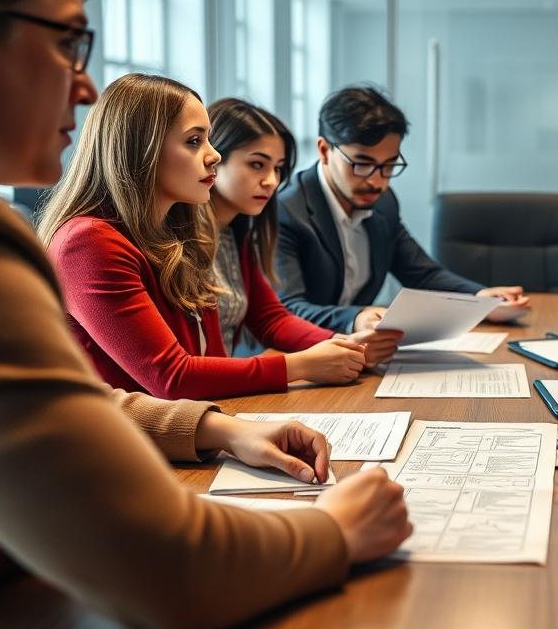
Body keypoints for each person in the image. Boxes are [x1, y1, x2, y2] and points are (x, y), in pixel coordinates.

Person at [0, 0, 410, 629]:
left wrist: (217, 430)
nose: (84, 86)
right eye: (68, 42)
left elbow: (84, 403)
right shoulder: (15, 241)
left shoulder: (190, 229)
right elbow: (171, 569)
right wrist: (333, 531)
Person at [37, 73, 371, 400]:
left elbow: (215, 353)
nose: (214, 156)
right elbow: (172, 377)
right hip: (126, 444)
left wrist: (345, 348)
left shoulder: (179, 230)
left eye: (208, 139)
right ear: (141, 150)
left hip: (192, 426)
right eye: (194, 141)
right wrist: (296, 366)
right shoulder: (87, 244)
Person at [275, 85, 530, 333]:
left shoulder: (383, 204)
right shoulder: (286, 211)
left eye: (389, 165)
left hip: (357, 353)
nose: (377, 181)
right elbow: (288, 309)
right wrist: (355, 319)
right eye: (362, 164)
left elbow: (421, 273)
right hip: (292, 357)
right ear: (324, 150)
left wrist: (480, 298)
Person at [206, 97, 402, 365]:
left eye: (277, 168)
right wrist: (296, 367)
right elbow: (177, 373)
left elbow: (271, 319)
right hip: (200, 397)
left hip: (220, 393)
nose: (272, 181)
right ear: (212, 159)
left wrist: (344, 346)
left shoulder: (237, 233)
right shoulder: (172, 244)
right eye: (256, 164)